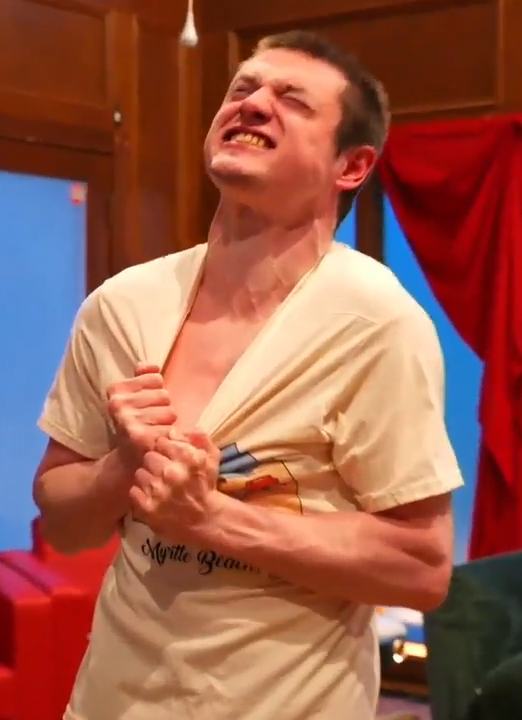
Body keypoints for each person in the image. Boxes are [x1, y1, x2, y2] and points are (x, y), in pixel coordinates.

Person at [33, 29, 463, 720]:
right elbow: (63, 522)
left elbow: (421, 568)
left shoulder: (376, 323)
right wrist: (122, 468)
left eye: (293, 100)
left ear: (351, 166)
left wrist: (211, 519)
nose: (254, 103)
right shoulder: (121, 305)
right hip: (111, 701)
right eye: (242, 88)